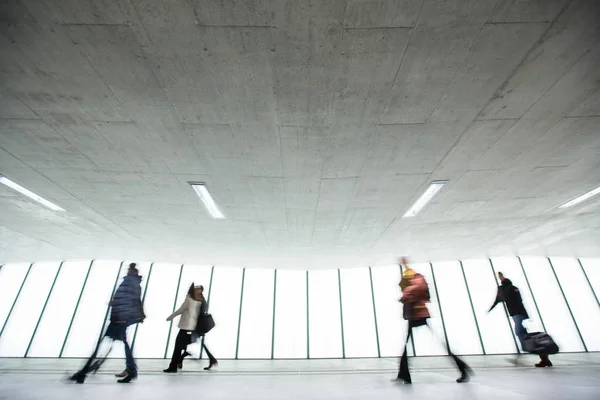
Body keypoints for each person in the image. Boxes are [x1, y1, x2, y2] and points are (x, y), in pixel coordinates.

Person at [394, 257, 472, 384]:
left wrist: (405, 295)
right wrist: (405, 265)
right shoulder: (413, 278)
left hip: (419, 315)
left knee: (432, 344)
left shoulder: (417, 280)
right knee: (407, 346)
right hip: (414, 315)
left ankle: (463, 369)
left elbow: (414, 290)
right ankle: (404, 374)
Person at [69, 263, 145, 384]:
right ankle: (131, 370)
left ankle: (83, 373)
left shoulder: (131, 282)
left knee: (103, 345)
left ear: (132, 271)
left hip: (119, 319)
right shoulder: (133, 283)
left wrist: (121, 316)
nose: (127, 271)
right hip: (119, 318)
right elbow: (131, 300)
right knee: (120, 345)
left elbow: (128, 301)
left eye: (128, 270)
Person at [489, 271, 552, 367]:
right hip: (521, 314)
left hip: (517, 314)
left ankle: (522, 355)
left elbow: (498, 299)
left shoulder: (506, 289)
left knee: (521, 334)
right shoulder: (513, 289)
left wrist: (490, 308)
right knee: (525, 336)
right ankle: (543, 358)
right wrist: (501, 278)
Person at [164, 284, 218, 372]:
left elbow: (181, 309)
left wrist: (170, 317)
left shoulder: (190, 298)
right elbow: (202, 311)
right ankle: (180, 360)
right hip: (194, 327)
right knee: (185, 344)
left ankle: (175, 365)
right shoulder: (201, 300)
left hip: (186, 326)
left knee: (178, 346)